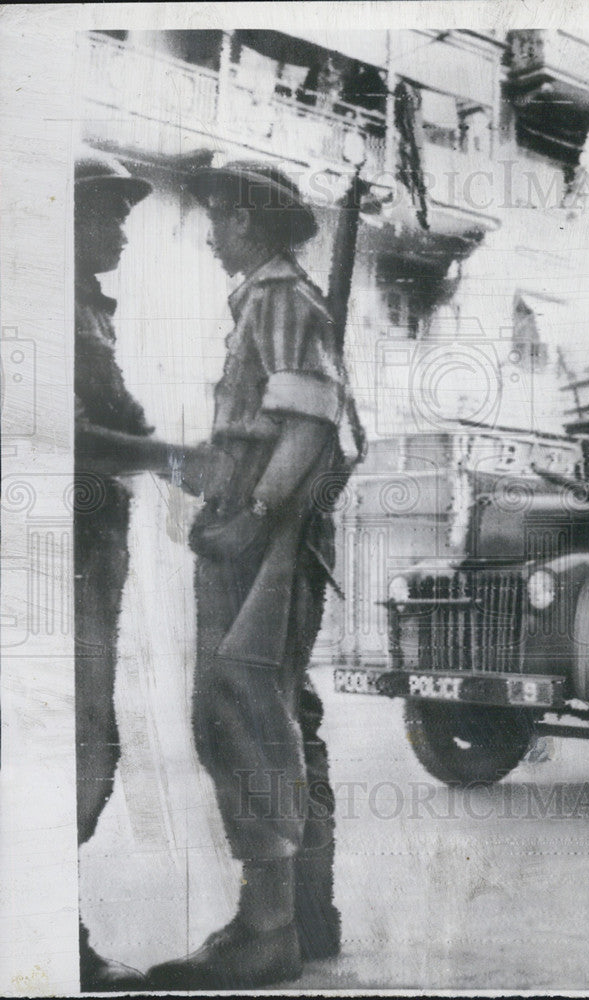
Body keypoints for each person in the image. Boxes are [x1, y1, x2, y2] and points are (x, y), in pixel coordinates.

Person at [147, 161, 348, 989]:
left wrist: (252, 515)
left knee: (236, 708)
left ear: (250, 226)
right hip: (266, 524)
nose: (209, 231)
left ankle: (267, 929)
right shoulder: (277, 300)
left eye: (220, 218)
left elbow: (309, 429)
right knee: (279, 709)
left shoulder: (277, 298)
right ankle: (307, 912)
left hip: (264, 533)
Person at [74, 150, 180, 989]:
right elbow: (68, 433)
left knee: (88, 746)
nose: (120, 230)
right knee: (69, 748)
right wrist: (174, 454)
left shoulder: (87, 313)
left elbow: (121, 414)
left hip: (90, 559)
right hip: (50, 565)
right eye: (107, 212)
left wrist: (178, 456)